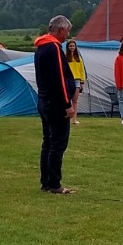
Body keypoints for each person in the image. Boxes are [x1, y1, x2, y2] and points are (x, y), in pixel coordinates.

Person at [33, 14, 78, 194]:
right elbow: (60, 78)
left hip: (44, 100)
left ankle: (46, 182)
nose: (68, 35)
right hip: (56, 104)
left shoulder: (40, 47)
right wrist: (67, 104)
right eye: (67, 31)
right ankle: (54, 184)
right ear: (60, 30)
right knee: (58, 144)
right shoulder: (54, 47)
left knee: (48, 143)